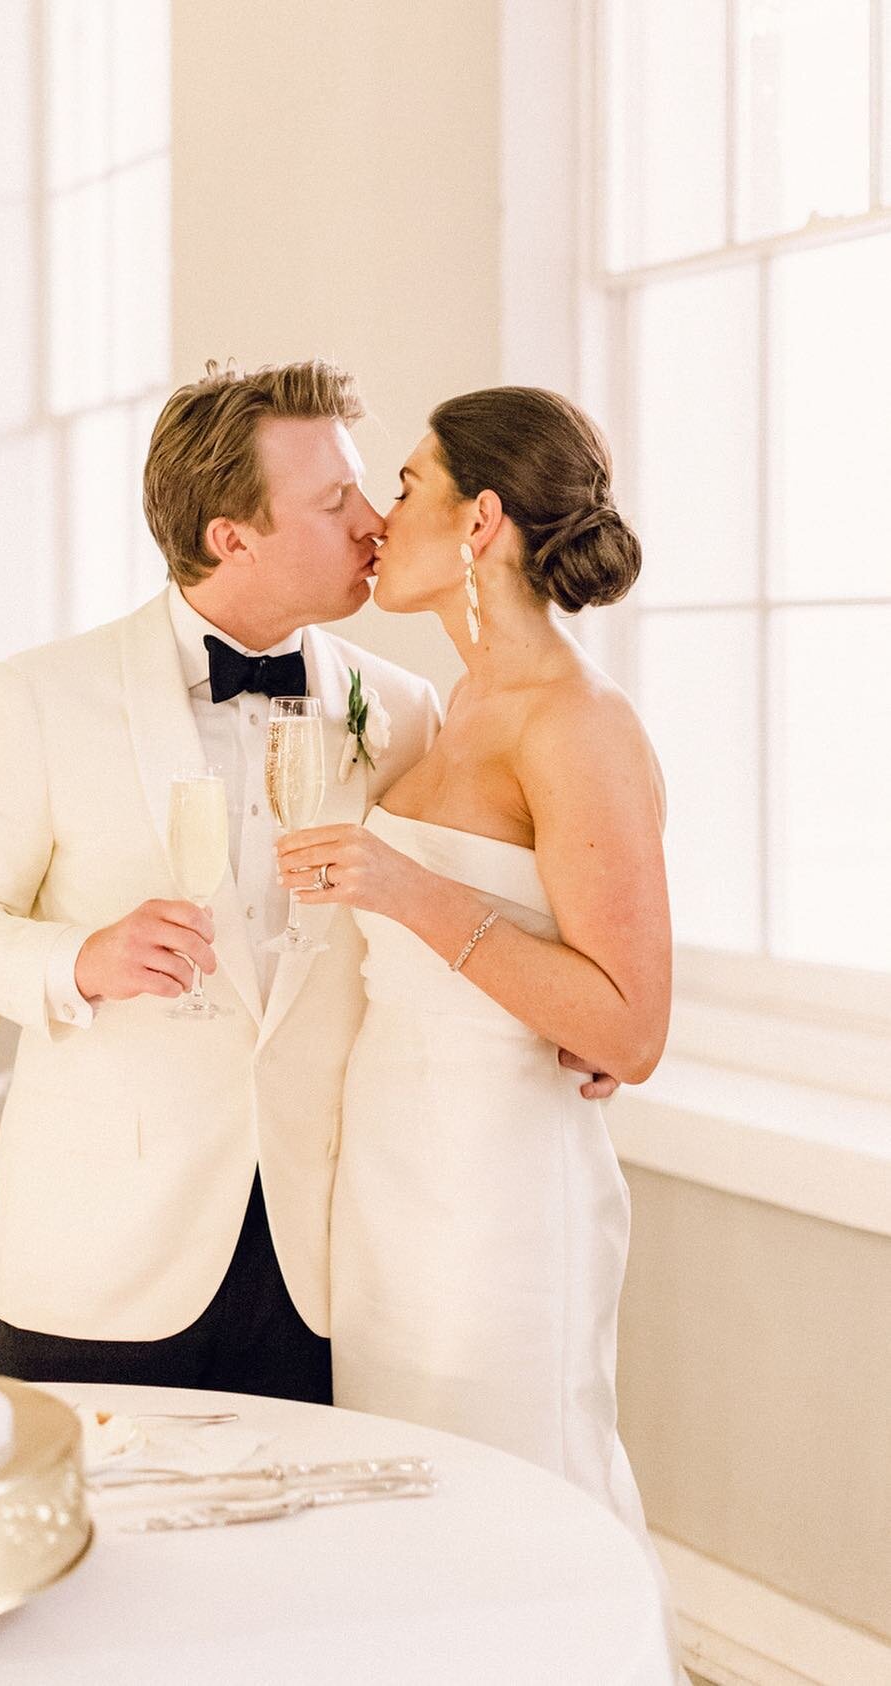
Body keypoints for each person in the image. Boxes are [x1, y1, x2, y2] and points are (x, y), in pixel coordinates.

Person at [0, 358, 619, 1402]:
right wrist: (79, 960)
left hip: (329, 1258)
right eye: (333, 501)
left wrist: (563, 1027)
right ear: (229, 537)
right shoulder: (43, 698)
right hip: (102, 1261)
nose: (373, 519)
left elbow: (471, 901)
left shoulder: (406, 708)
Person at [276, 386, 676, 1646]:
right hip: (392, 1185)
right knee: (403, 1530)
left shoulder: (580, 725)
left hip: (496, 1199)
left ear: (480, 519)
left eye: (403, 487)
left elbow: (628, 1030)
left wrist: (405, 887)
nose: (380, 519)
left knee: (509, 1517)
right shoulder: (448, 708)